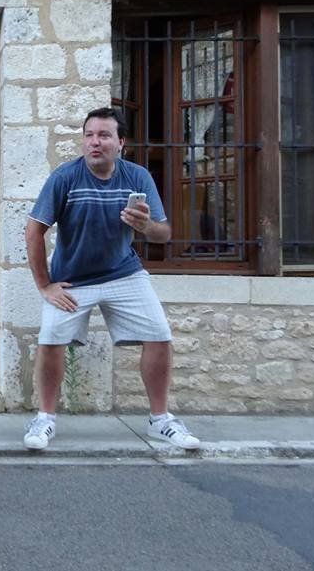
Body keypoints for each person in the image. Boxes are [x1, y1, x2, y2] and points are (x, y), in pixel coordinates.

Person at [23, 107, 200, 451]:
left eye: (104, 136)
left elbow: (164, 234)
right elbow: (34, 232)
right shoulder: (65, 177)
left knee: (160, 335)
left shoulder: (137, 177)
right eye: (89, 135)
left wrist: (146, 226)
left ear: (121, 142)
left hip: (124, 272)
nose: (94, 142)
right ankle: (45, 419)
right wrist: (45, 286)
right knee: (51, 338)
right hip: (72, 279)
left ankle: (160, 420)